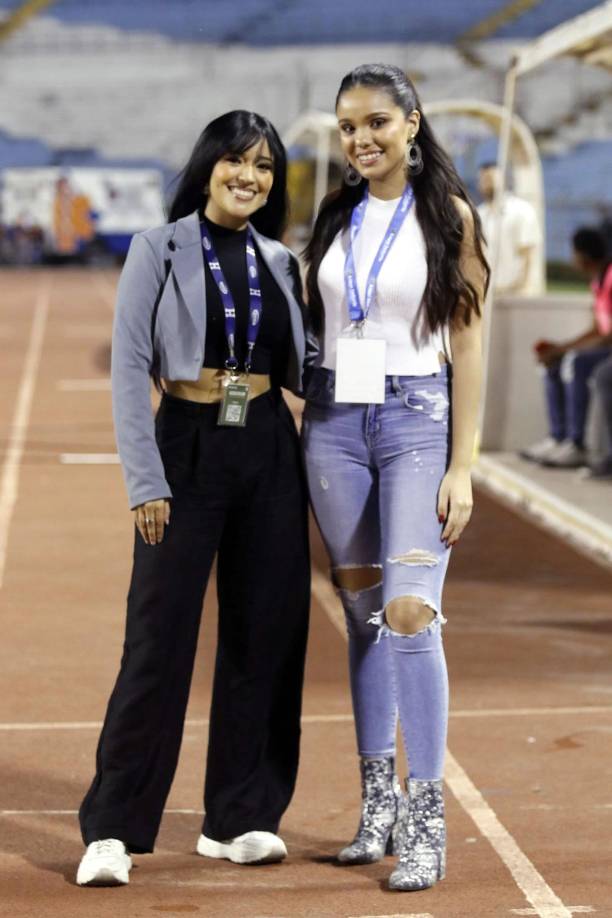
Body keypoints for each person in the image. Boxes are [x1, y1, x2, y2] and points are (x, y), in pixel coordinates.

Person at [76, 111, 312, 886]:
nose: (250, 177)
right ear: (209, 166)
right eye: (237, 162)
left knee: (265, 636)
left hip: (269, 447)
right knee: (159, 638)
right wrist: (145, 480)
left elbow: (302, 365)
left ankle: (239, 817)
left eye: (266, 168)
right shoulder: (160, 247)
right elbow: (128, 370)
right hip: (186, 443)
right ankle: (113, 828)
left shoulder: (281, 259)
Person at [302, 64, 488, 891]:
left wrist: (467, 464)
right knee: (365, 614)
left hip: (418, 420)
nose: (361, 139)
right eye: (348, 127)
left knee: (412, 613)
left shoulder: (450, 215)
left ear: (412, 123)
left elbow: (471, 341)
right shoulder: (337, 214)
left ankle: (425, 821)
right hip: (337, 425)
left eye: (376, 121)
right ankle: (374, 804)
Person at [521, 227, 612, 468]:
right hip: (603, 346)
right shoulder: (597, 283)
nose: (571, 258)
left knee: (574, 362)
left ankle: (577, 443)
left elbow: (608, 336)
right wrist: (560, 348)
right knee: (553, 364)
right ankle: (558, 436)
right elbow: (597, 330)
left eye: (573, 253)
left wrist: (566, 351)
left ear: (584, 255)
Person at [477, 162, 540, 297]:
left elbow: (529, 253)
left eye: (490, 178)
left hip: (517, 293)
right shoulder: (479, 214)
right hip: (487, 292)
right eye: (483, 179)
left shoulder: (522, 210)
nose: (486, 183)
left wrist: (524, 288)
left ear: (503, 179)